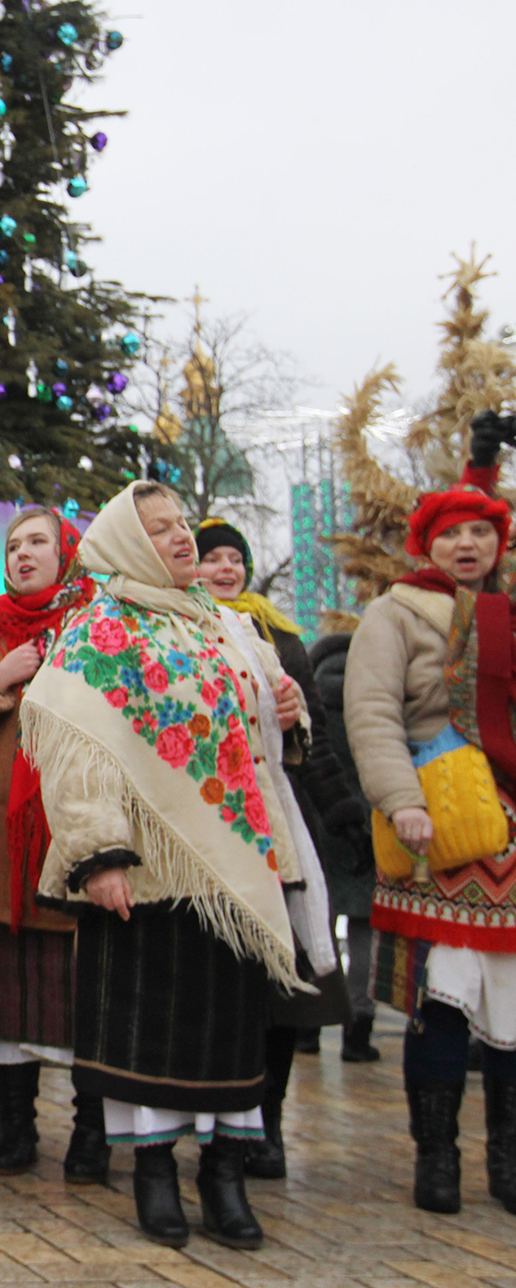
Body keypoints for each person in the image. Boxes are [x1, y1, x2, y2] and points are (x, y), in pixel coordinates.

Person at [24, 481, 318, 1251]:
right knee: (149, 1028)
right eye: (158, 530)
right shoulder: (101, 631)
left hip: (240, 865)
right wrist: (99, 857)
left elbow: (269, 719)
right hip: (151, 875)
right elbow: (76, 757)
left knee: (234, 1026)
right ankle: (155, 1173)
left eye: (181, 524)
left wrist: (289, 711)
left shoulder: (231, 626)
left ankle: (222, 1172)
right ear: (125, 543)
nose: (181, 538)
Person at [344, 414, 516, 1215]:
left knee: (514, 1002)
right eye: (454, 535)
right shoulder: (397, 613)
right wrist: (401, 801)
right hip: (437, 822)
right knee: (444, 999)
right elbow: (372, 711)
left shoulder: (508, 615)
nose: (469, 545)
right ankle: (437, 1160)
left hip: (512, 824)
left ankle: (508, 1162)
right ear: (429, 545)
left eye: (481, 531)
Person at [0, 509, 103, 1181]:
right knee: (7, 989)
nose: (23, 553)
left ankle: (92, 1131)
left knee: (84, 988)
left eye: (38, 541)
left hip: (77, 833)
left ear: (67, 552)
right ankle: (16, 1127)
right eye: (12, 545)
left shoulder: (99, 628)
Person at [196, 518, 361, 1178]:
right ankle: (212, 1123)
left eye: (236, 559)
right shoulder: (182, 630)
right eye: (213, 558)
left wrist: (342, 808)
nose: (227, 569)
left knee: (284, 984)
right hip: (212, 822)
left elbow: (310, 734)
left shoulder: (279, 636)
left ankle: (269, 1122)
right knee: (220, 981)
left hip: (282, 824)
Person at [308, 630, 380, 1063]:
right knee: (363, 926)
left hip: (319, 824)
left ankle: (310, 1025)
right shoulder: (370, 704)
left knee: (318, 924)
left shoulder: (308, 702)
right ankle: (359, 1027)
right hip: (365, 825)